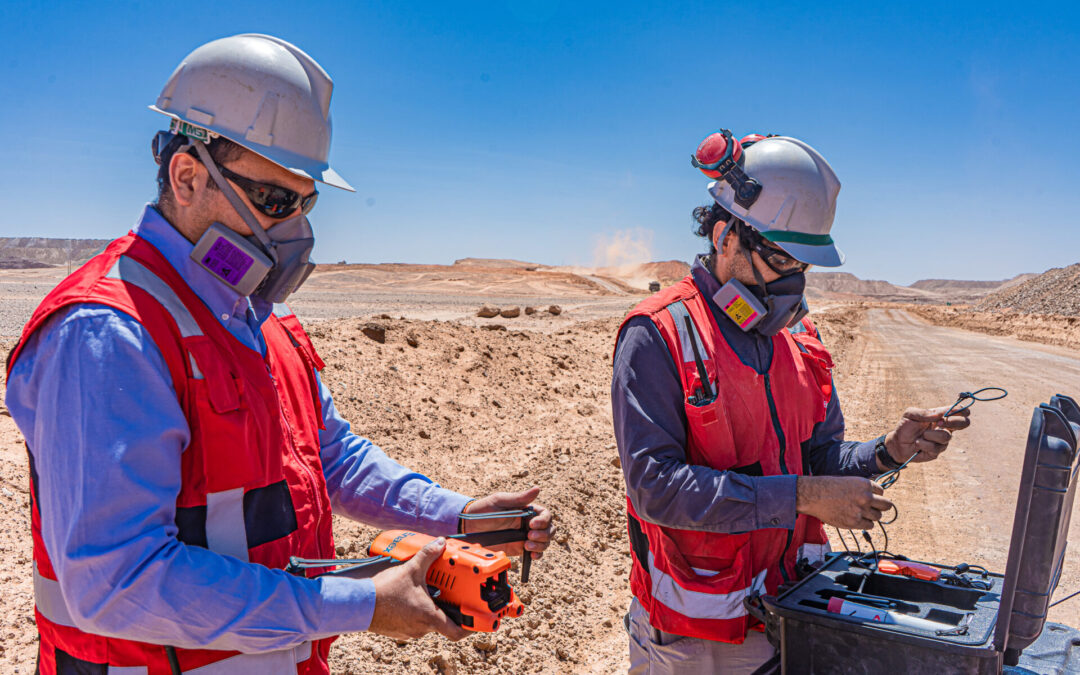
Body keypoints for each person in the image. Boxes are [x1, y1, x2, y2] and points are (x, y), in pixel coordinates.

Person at [5, 34, 552, 675]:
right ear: (187, 176)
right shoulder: (107, 332)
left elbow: (330, 459)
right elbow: (118, 582)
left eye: (303, 203)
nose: (292, 230)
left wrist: (453, 514)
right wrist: (359, 605)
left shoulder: (262, 319)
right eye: (273, 202)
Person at [610, 130, 970, 673]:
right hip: (697, 638)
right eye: (781, 259)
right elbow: (655, 489)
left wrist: (887, 452)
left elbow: (819, 457)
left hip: (793, 610)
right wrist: (802, 495)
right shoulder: (658, 333)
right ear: (726, 236)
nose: (793, 284)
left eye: (802, 266)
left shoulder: (801, 341)